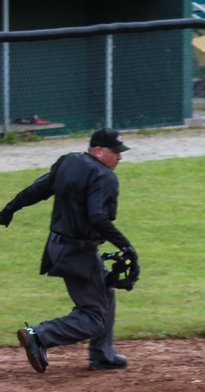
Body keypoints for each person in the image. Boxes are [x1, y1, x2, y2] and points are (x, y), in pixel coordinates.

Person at [0, 128, 139, 373]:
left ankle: (102, 354)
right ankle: (39, 335)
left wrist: (11, 208)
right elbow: (97, 217)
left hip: (57, 246)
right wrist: (126, 246)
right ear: (98, 151)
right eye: (115, 152)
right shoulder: (105, 177)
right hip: (79, 252)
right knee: (94, 317)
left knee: (105, 289)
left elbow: (40, 188)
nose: (120, 157)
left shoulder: (69, 162)